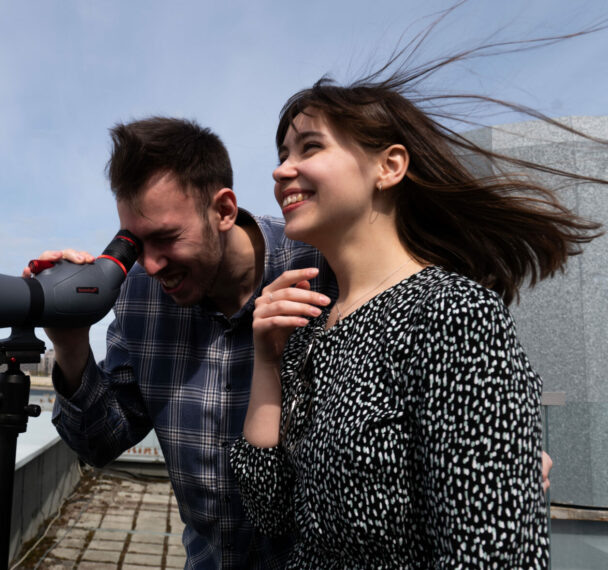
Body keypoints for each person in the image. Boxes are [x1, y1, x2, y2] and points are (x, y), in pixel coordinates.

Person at [230, 57, 604, 567]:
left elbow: (492, 553)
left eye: (309, 147)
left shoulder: (453, 313)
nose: (279, 170)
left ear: (389, 166)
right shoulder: (312, 327)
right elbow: (269, 510)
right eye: (281, 154)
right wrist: (267, 362)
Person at [24, 116, 336, 568]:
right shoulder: (138, 296)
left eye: (166, 238)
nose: (149, 266)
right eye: (135, 243)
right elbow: (101, 442)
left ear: (224, 210)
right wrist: (71, 343)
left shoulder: (319, 263)